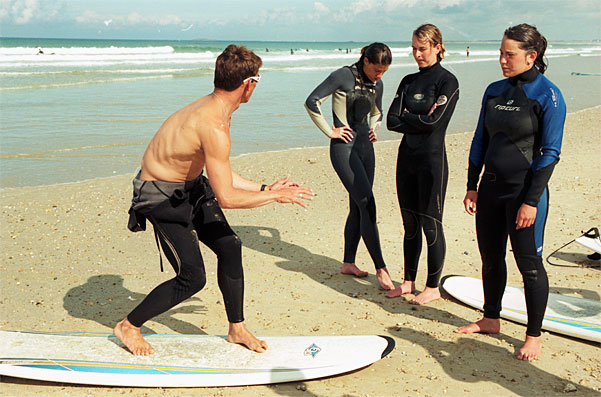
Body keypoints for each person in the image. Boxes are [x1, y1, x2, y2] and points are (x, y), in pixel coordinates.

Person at [115, 44, 314, 356]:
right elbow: (227, 197)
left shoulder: (217, 109)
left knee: (230, 246)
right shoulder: (214, 124)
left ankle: (237, 328)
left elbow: (221, 171)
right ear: (249, 84)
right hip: (161, 198)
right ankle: (129, 325)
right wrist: (277, 196)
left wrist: (264, 188)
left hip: (191, 187)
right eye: (258, 80)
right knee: (193, 277)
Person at [456, 24, 566, 361]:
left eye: (510, 54)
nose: (502, 59)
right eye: (501, 52)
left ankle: (534, 335)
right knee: (490, 258)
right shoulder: (493, 90)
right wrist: (472, 185)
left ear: (531, 56)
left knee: (529, 265)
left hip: (524, 194)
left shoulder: (548, 95)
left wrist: (531, 201)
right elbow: (480, 140)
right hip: (490, 190)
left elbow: (550, 153)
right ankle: (491, 318)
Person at [304, 43, 395, 290]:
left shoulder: (378, 83)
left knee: (358, 206)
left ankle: (348, 263)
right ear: (365, 60)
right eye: (377, 69)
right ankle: (381, 268)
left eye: (384, 71)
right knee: (368, 203)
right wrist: (329, 131)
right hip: (344, 149)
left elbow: (378, 111)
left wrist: (375, 129)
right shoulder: (342, 76)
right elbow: (312, 101)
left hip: (366, 148)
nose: (379, 75)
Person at [385, 24, 459, 304]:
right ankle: (407, 281)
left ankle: (432, 286)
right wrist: (418, 119)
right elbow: (392, 122)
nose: (417, 54)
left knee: (430, 224)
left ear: (438, 47)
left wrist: (409, 117)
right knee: (410, 224)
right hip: (407, 160)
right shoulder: (407, 81)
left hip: (432, 162)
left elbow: (435, 121)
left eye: (422, 48)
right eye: (414, 48)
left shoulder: (447, 82)